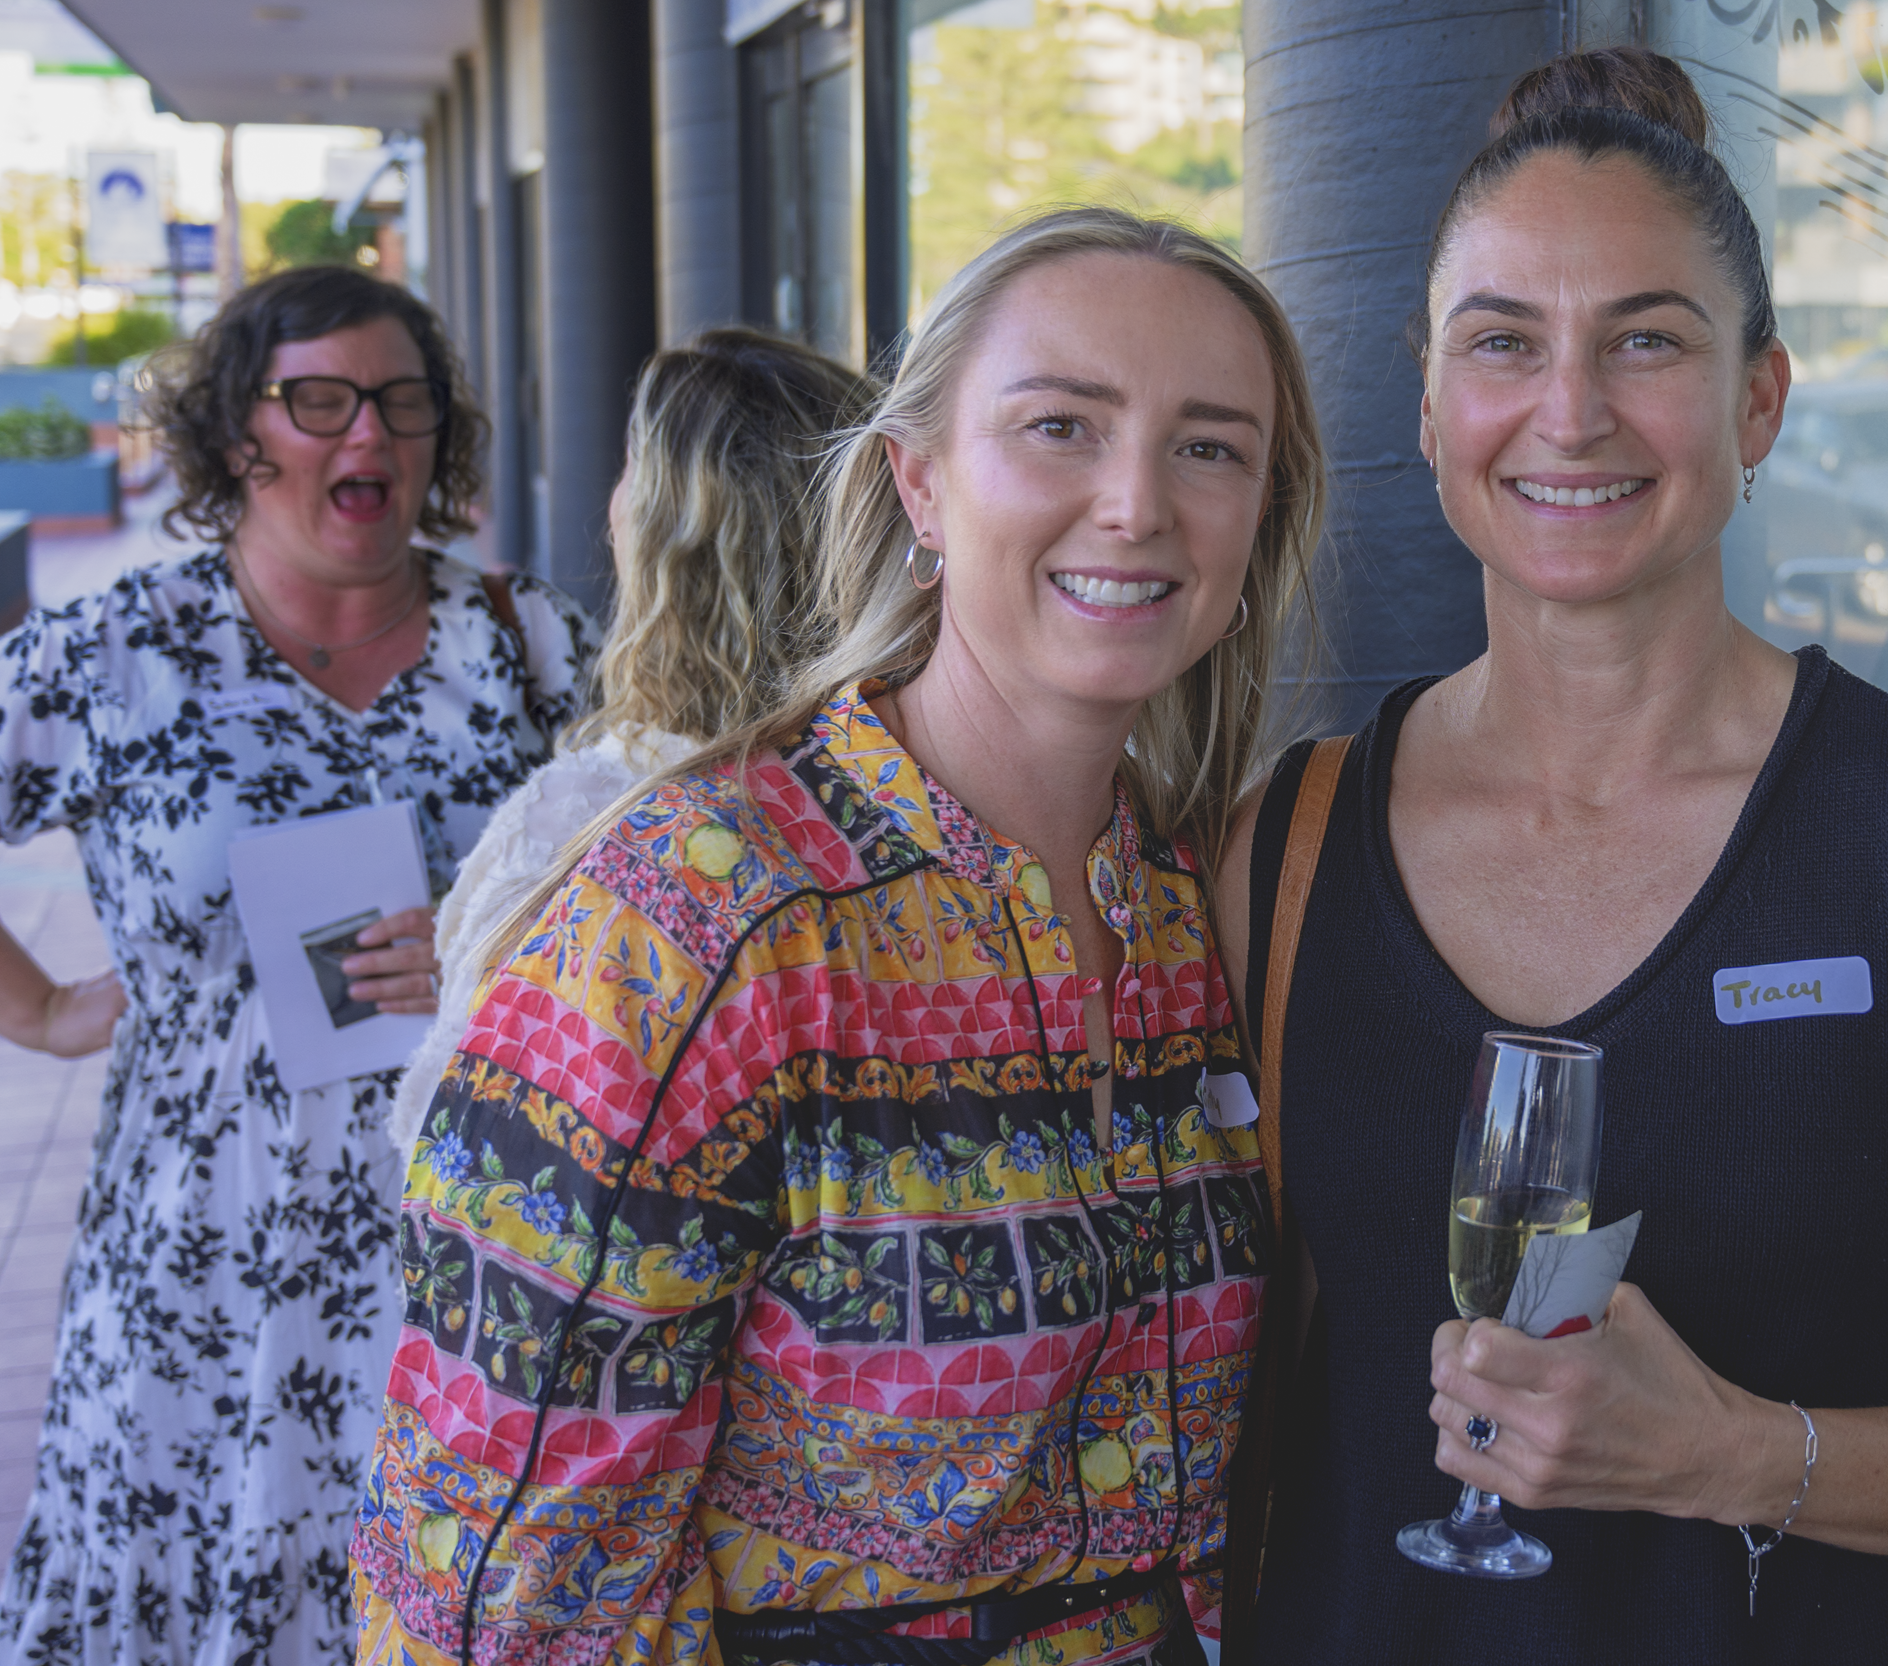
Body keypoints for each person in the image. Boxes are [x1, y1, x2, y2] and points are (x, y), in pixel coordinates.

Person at [1212, 48, 1888, 1660]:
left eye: (1645, 339)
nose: (1569, 411)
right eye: (1503, 342)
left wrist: (1730, 1451)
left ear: (1757, 400)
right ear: (1433, 406)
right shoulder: (1286, 846)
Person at [351, 206, 1324, 1666]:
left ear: (1260, 515)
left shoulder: (1198, 900)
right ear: (919, 483)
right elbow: (496, 1585)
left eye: (1208, 446)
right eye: (1061, 425)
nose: (1135, 502)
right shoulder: (695, 918)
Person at [0, 265, 599, 1666]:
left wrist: (492, 944)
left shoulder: (534, 649)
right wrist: (41, 1008)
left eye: (402, 402)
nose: (368, 438)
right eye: (319, 400)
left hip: (470, 1252)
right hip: (192, 1272)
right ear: (231, 436)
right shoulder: (112, 654)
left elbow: (657, 902)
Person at [390, 326, 872, 1156]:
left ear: (665, 542)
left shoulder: (585, 823)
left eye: (629, 472)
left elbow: (463, 1142)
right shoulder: (918, 787)